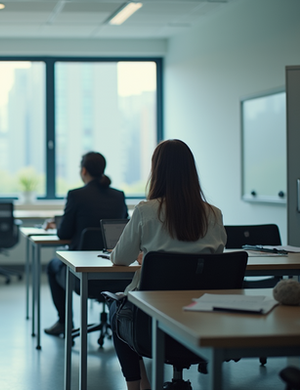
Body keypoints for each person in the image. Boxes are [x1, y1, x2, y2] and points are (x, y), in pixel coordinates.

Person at [109, 139, 226, 390]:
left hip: (150, 323)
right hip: (202, 317)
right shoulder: (214, 214)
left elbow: (119, 258)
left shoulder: (145, 211)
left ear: (157, 171)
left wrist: (146, 258)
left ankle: (138, 386)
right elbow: (216, 260)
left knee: (116, 312)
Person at [43, 152, 128, 337]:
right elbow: (126, 230)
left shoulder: (76, 195)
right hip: (117, 274)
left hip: (82, 276)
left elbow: (63, 233)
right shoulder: (119, 196)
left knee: (52, 266)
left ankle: (64, 322)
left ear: (83, 171)